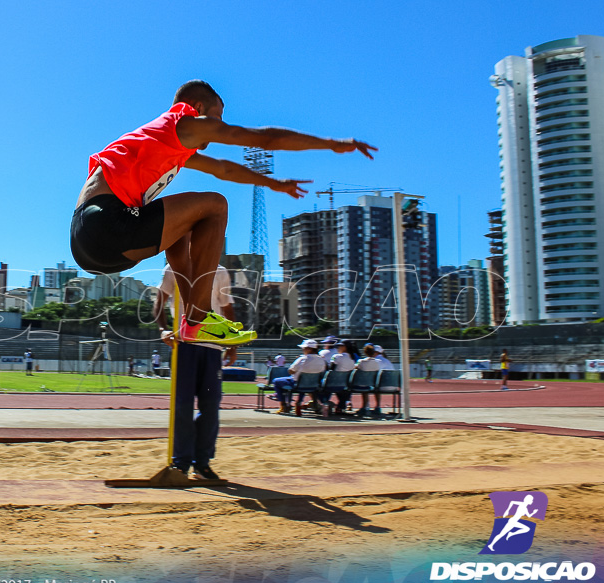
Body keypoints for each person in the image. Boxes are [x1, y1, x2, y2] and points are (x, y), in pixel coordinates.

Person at [70, 80, 377, 346]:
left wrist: (273, 183)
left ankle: (192, 319)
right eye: (217, 117)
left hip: (90, 247)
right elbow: (263, 138)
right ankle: (199, 318)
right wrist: (330, 143)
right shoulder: (183, 123)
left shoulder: (164, 143)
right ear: (199, 106)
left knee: (184, 227)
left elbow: (223, 168)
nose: (217, 127)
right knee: (216, 205)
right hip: (105, 225)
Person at [153, 263, 238, 480]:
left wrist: (233, 345)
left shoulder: (219, 270)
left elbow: (227, 309)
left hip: (211, 347)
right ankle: (181, 462)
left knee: (210, 406)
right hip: (184, 346)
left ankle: (202, 463)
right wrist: (163, 330)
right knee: (183, 405)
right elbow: (159, 302)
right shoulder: (174, 267)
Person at [277, 338, 327, 415]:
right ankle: (302, 402)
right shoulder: (322, 360)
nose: (303, 350)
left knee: (276, 381)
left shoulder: (302, 359)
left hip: (298, 383)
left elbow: (291, 371)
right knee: (303, 383)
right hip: (314, 385)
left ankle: (284, 405)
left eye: (304, 348)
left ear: (309, 349)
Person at [322, 339, 357, 414]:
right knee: (342, 391)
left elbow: (331, 369)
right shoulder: (352, 358)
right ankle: (341, 407)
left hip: (332, 382)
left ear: (345, 347)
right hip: (344, 383)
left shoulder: (337, 356)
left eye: (339, 346)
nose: (338, 348)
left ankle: (323, 403)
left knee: (321, 387)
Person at [354, 344, 383, 417]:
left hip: (363, 383)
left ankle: (364, 407)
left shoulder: (361, 361)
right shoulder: (378, 361)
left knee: (364, 388)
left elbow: (355, 368)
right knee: (376, 389)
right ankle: (378, 406)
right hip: (373, 383)